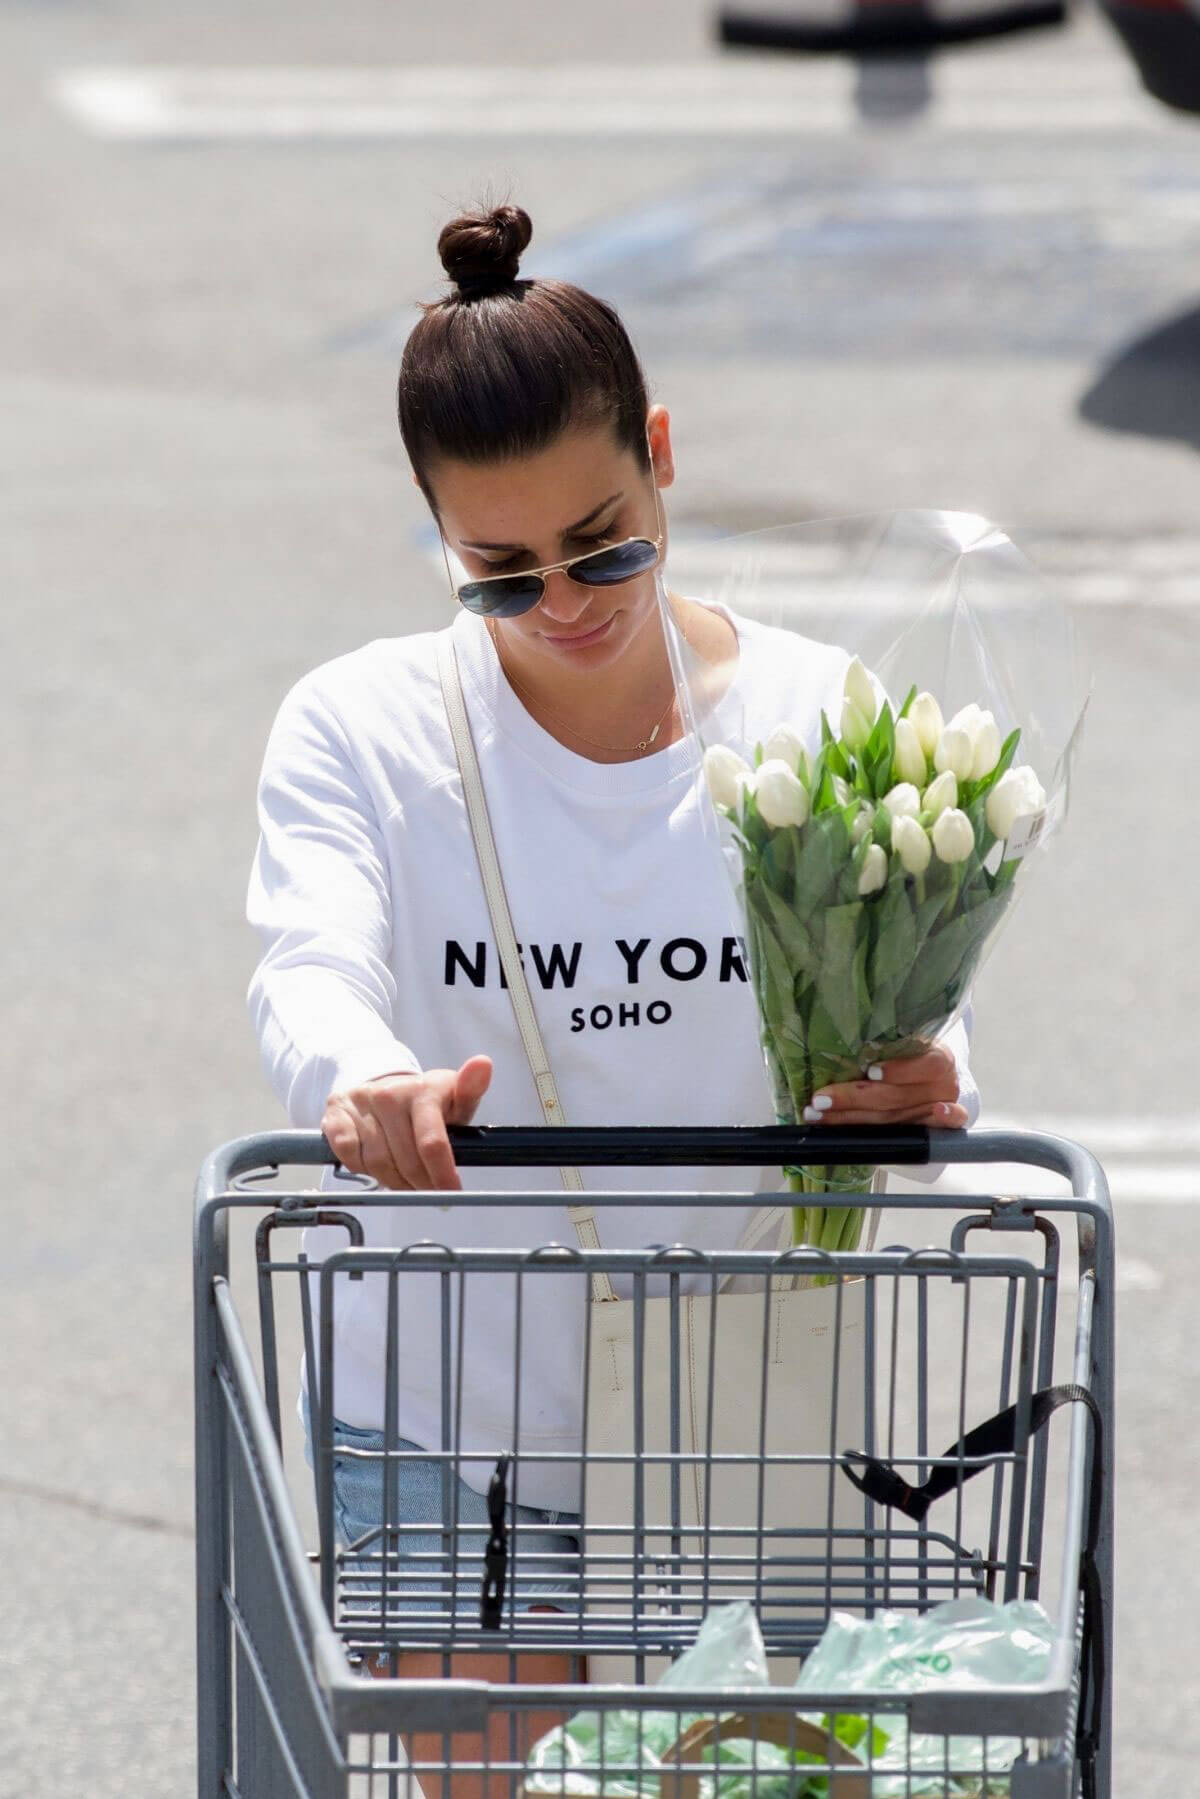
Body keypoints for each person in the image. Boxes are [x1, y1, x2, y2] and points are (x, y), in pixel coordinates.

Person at [245, 199, 976, 1753]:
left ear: (660, 450)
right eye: (499, 574)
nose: (565, 605)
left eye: (605, 547)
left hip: (748, 1408)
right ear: (435, 532)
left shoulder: (808, 708)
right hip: (454, 1404)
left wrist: (928, 1071)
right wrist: (360, 1077)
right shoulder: (360, 729)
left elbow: (908, 993)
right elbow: (311, 959)